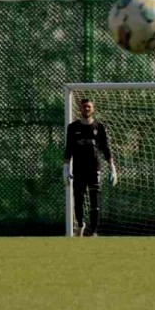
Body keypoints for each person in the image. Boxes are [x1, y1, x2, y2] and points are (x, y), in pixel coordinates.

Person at [63, 98, 117, 237]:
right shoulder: (73, 127)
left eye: (88, 107)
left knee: (94, 202)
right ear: (80, 109)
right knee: (78, 200)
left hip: (94, 169)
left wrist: (112, 167)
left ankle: (93, 232)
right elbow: (69, 148)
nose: (86, 109)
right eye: (84, 107)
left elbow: (105, 148)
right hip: (79, 170)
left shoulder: (99, 127)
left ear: (93, 109)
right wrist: (66, 167)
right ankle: (80, 225)